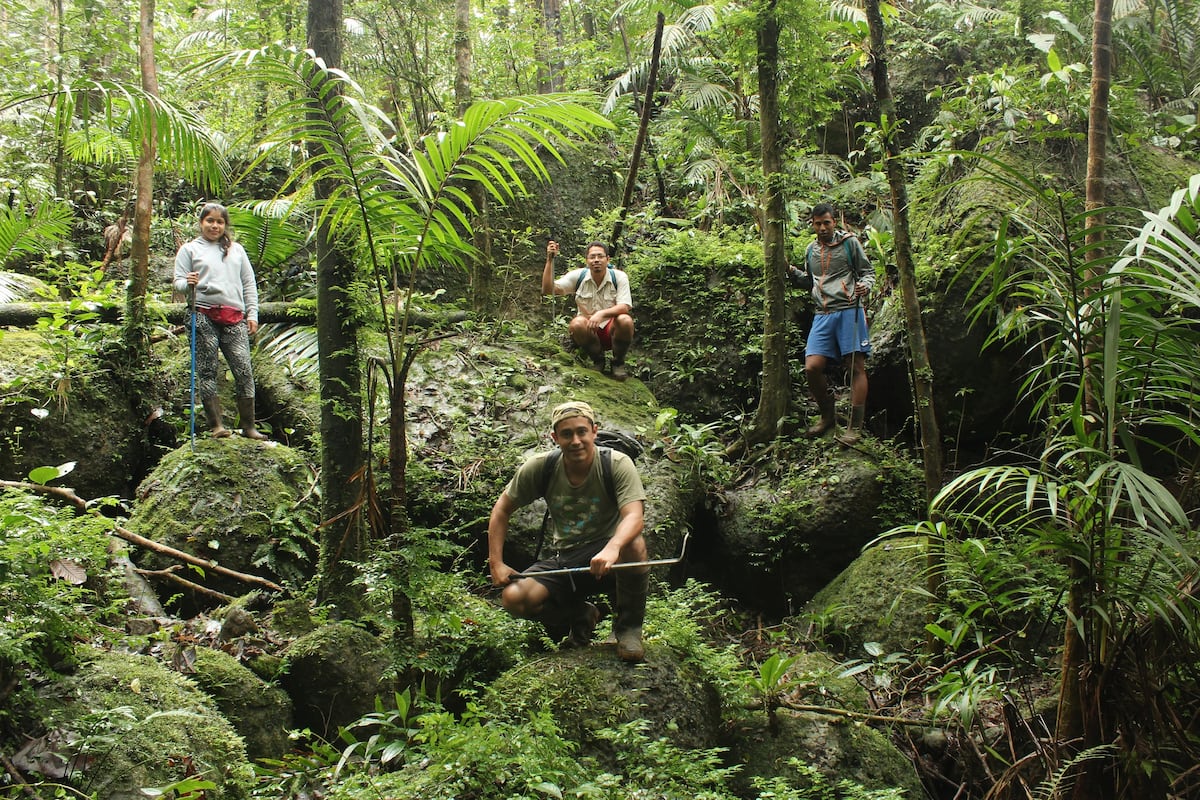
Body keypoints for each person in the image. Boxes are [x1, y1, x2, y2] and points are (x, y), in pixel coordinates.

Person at [488, 401, 650, 662]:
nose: (576, 441)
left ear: (594, 432)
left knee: (634, 544)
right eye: (567, 434)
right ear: (555, 437)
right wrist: (496, 563)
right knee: (515, 598)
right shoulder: (542, 467)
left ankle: (628, 629)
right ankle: (580, 615)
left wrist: (612, 548)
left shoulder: (617, 464)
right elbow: (501, 509)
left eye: (581, 432)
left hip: (612, 556)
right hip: (567, 559)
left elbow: (634, 516)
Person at [173, 202, 267, 441]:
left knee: (243, 370)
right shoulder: (190, 250)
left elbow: (248, 284)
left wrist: (252, 314)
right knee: (207, 370)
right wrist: (188, 282)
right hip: (202, 314)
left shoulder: (236, 250)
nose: (215, 226)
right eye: (210, 221)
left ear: (225, 225)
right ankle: (216, 425)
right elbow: (178, 283)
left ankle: (249, 427)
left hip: (234, 317)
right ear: (201, 223)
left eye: (219, 222)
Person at [789, 202, 874, 445]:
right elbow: (811, 282)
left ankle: (854, 427)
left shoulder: (849, 244)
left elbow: (868, 272)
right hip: (822, 313)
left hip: (849, 309)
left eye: (827, 222)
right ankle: (827, 416)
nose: (823, 227)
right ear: (812, 225)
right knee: (811, 367)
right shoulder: (811, 250)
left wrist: (865, 286)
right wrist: (792, 273)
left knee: (855, 366)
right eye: (818, 224)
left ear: (834, 222)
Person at [543, 240, 635, 381]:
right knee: (577, 323)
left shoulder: (619, 276)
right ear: (587, 260)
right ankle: (598, 361)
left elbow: (625, 306)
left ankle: (618, 363)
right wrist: (550, 260)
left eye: (600, 256)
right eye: (592, 257)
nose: (596, 260)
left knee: (625, 320)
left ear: (607, 259)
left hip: (611, 331)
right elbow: (548, 290)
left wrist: (602, 314)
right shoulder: (579, 276)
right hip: (588, 332)